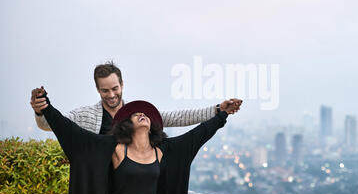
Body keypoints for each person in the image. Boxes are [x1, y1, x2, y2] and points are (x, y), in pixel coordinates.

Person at [32, 86, 240, 194]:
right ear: (125, 124)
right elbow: (72, 133)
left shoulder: (164, 152)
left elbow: (198, 134)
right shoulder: (113, 149)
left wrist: (222, 114)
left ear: (153, 125)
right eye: (136, 114)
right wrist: (46, 108)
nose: (142, 114)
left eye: (145, 114)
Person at [30, 61, 242, 134]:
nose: (111, 95)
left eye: (115, 88)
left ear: (122, 85)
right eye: (105, 91)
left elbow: (176, 117)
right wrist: (41, 110)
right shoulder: (86, 115)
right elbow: (52, 125)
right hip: (101, 188)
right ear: (97, 90)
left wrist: (217, 109)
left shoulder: (138, 112)